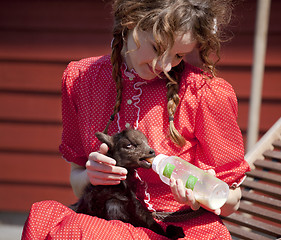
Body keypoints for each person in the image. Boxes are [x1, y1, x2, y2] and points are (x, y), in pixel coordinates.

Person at [22, 0, 250, 239]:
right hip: (106, 220)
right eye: (157, 47)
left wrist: (201, 196)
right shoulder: (83, 80)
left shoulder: (204, 93)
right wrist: (93, 175)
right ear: (131, 22)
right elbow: (77, 181)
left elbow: (231, 202)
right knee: (43, 216)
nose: (165, 66)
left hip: (179, 230)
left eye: (179, 55)